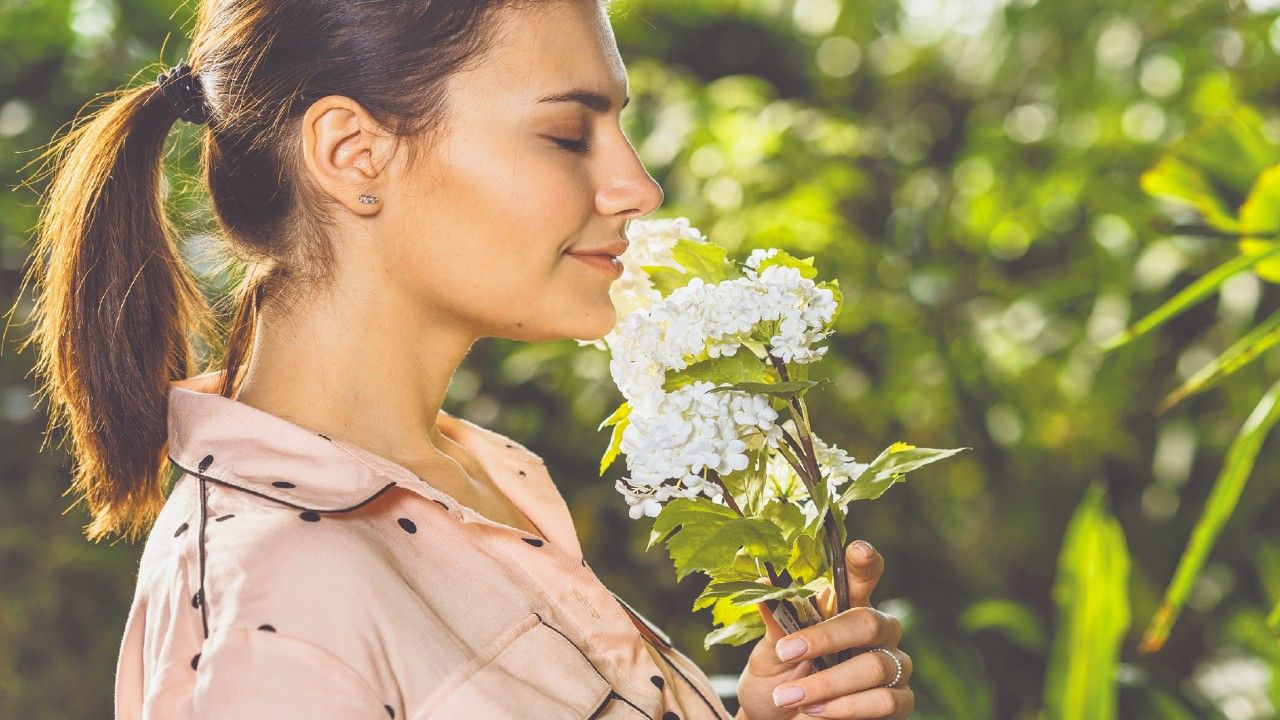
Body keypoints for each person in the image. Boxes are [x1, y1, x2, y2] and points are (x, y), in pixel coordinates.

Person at [23, 0, 914, 717]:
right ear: (352, 152)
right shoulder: (274, 595)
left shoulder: (474, 484)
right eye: (570, 134)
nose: (638, 186)